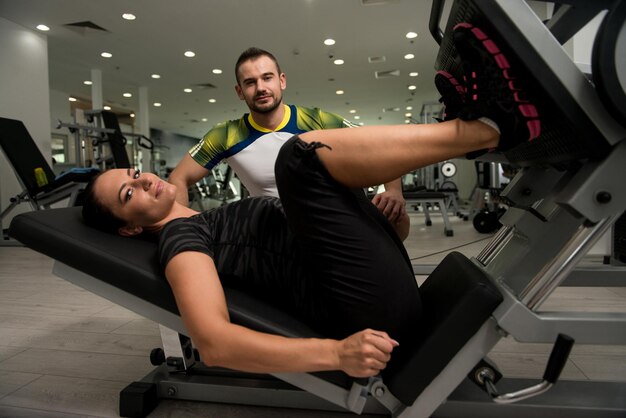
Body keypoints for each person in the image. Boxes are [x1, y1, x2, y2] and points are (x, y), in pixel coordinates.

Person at [81, 23, 540, 378]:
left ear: (281, 80)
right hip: (367, 314)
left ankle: (472, 123)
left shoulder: (306, 126)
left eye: (136, 174)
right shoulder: (181, 238)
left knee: (308, 157)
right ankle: (487, 129)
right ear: (128, 228)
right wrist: (337, 354)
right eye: (128, 193)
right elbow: (215, 343)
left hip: (372, 277)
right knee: (296, 159)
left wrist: (391, 197)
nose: (145, 184)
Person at [167, 47, 408, 230]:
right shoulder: (226, 135)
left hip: (330, 221)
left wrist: (394, 191)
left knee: (400, 221)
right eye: (250, 82)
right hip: (274, 230)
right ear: (240, 92)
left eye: (267, 77)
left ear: (281, 80)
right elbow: (178, 177)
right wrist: (184, 228)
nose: (260, 87)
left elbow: (378, 145)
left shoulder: (316, 120)